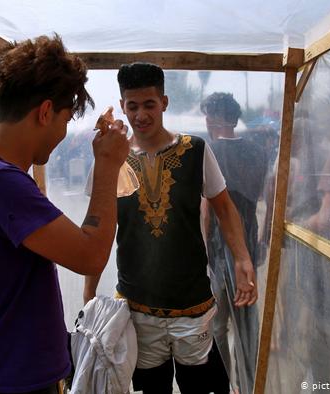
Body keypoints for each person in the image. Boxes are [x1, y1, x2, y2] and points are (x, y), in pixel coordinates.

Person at [0, 35, 130, 394]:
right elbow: (91, 255)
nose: (63, 133)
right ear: (45, 112)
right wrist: (108, 164)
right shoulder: (0, 183)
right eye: (63, 120)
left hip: (8, 378)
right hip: (7, 385)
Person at [83, 63, 257, 394]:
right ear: (122, 106)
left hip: (192, 308)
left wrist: (242, 258)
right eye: (132, 106)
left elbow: (224, 207)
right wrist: (89, 291)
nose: (141, 115)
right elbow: (98, 228)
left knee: (202, 387)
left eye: (149, 104)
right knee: (152, 388)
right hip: (137, 310)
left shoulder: (195, 150)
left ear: (164, 102)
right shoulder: (110, 160)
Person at [199, 92, 267, 393]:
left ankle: (224, 386)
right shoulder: (258, 151)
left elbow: (207, 211)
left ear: (213, 117)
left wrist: (204, 254)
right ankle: (250, 384)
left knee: (217, 325)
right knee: (247, 328)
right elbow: (268, 197)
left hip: (218, 248)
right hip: (248, 246)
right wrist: (260, 240)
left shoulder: (209, 152)